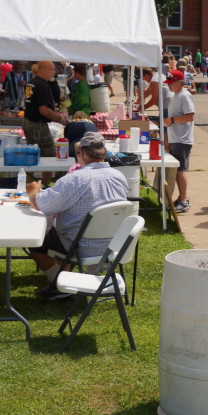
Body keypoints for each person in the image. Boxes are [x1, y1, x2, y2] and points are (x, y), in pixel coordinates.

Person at [26, 132, 129, 299]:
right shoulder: (120, 177)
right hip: (111, 244)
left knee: (36, 242)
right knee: (68, 229)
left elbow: (42, 205)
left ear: (80, 153)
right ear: (104, 152)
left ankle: (59, 285)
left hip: (78, 246)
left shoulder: (75, 179)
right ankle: (68, 280)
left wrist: (32, 193)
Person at [163, 69, 195, 214]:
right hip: (176, 137)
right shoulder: (177, 95)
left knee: (181, 170)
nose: (169, 85)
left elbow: (190, 116)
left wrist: (172, 120)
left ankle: (184, 200)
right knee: (178, 170)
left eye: (171, 83)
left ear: (178, 81)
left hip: (182, 138)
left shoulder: (184, 95)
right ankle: (182, 198)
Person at [23, 60, 66, 158]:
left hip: (28, 121)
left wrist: (50, 106)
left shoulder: (31, 82)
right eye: (51, 69)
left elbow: (34, 102)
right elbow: (44, 110)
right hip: (37, 125)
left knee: (32, 154)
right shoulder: (42, 85)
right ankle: (48, 174)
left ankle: (32, 173)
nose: (54, 72)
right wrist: (61, 117)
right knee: (49, 155)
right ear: (43, 70)